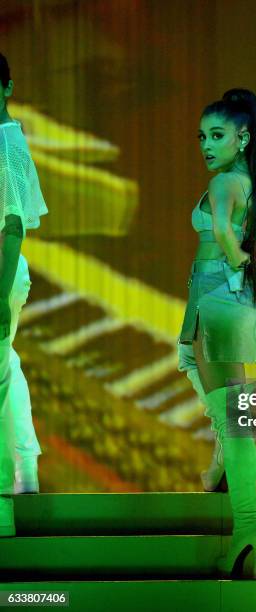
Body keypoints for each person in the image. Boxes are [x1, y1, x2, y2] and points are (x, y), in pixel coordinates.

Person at [177, 88, 256, 577]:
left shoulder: (226, 179)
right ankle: (221, 465)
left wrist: (236, 263)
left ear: (243, 137)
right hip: (226, 297)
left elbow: (229, 234)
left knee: (234, 416)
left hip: (219, 294)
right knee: (198, 370)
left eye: (217, 135)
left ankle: (248, 529)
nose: (206, 145)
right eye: (202, 137)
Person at [0, 53, 48, 537]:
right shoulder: (8, 139)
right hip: (7, 271)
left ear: (6, 87)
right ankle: (26, 467)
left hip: (2, 269)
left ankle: (2, 508)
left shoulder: (5, 143)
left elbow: (13, 226)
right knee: (5, 364)